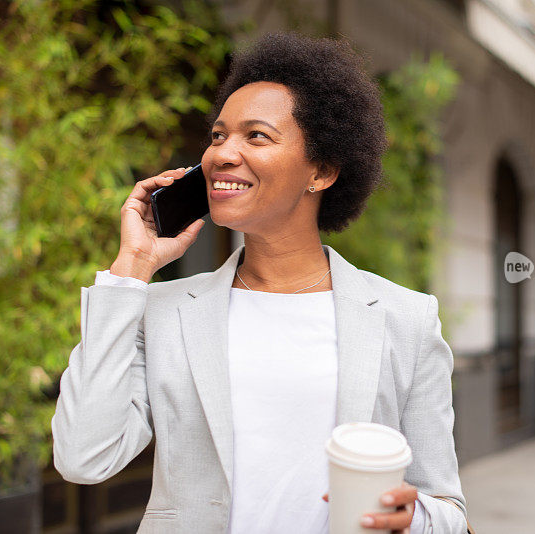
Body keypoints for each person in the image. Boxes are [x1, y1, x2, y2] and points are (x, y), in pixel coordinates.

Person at [51, 31, 470, 534]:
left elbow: (448, 511)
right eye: (217, 135)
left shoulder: (406, 318)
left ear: (321, 171)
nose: (222, 154)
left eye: (256, 136)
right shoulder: (162, 311)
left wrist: (411, 516)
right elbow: (83, 457)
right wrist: (131, 269)